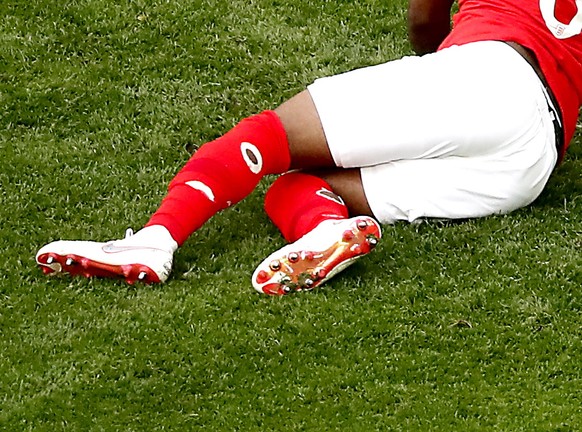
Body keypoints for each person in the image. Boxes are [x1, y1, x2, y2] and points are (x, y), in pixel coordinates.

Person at [36, 0, 582, 295]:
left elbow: (424, 18)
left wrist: (432, 68)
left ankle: (155, 239)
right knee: (302, 184)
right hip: (532, 162)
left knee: (272, 136)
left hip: (488, 78)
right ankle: (324, 230)